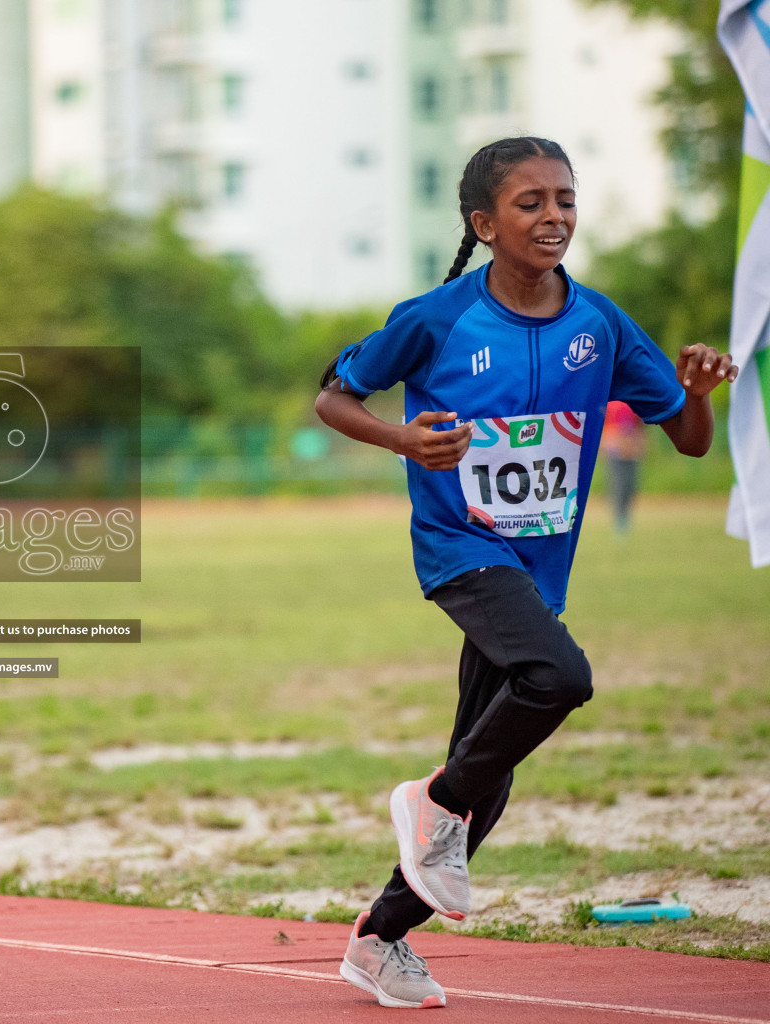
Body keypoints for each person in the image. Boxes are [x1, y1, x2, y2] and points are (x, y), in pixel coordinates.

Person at [314, 136, 735, 1009]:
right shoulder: (435, 317)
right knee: (557, 676)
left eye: (566, 200)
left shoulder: (601, 324)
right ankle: (433, 799)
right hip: (462, 547)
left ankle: (380, 937)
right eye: (531, 202)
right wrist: (405, 438)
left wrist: (695, 391)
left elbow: (689, 438)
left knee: (489, 777)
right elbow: (333, 396)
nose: (555, 217)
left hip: (540, 565)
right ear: (484, 222)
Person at [602, 400, 646, 533]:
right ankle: (619, 520)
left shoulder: (634, 401)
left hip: (631, 450)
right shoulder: (610, 403)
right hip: (615, 449)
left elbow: (639, 426)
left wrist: (639, 443)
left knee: (630, 485)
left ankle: (626, 516)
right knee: (619, 485)